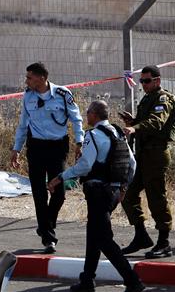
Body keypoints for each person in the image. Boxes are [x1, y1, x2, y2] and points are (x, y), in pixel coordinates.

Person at [47, 100, 145, 292]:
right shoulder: (118, 133)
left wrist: (60, 177)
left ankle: (133, 281)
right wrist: (123, 187)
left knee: (104, 240)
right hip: (113, 192)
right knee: (94, 235)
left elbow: (85, 165)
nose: (86, 115)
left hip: (98, 192)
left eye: (88, 112)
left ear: (95, 115)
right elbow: (131, 164)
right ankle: (87, 280)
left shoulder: (92, 135)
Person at [11, 62, 84, 254]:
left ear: (42, 78)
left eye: (29, 77)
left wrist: (80, 142)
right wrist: (16, 149)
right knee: (39, 192)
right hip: (35, 147)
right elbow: (22, 124)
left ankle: (46, 225)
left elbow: (76, 119)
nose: (26, 81)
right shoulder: (28, 96)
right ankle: (48, 237)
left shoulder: (62, 94)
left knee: (58, 193)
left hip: (57, 147)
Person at [119, 65, 175, 259]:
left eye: (146, 81)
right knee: (128, 194)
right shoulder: (147, 98)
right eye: (142, 81)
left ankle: (164, 242)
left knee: (156, 197)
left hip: (156, 155)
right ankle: (141, 235)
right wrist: (133, 122)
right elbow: (145, 122)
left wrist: (136, 127)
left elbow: (157, 122)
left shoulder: (163, 99)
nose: (143, 84)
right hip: (143, 154)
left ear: (157, 80)